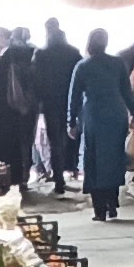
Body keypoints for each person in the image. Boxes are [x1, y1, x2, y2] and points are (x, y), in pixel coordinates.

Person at [71, 28, 131, 219]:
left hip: (94, 116)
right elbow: (126, 91)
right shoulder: (118, 63)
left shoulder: (83, 66)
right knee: (113, 159)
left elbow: (74, 98)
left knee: (94, 161)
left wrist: (71, 121)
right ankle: (112, 204)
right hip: (116, 114)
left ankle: (100, 210)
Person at [0, 25, 37, 182]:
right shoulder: (24, 56)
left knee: (2, 149)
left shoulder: (6, 58)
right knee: (15, 149)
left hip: (2, 113)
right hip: (15, 112)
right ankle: (15, 180)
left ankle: (4, 181)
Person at [34, 19, 81, 195]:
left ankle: (59, 180)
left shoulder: (42, 54)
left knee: (55, 142)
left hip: (50, 103)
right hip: (70, 101)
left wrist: (38, 104)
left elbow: (37, 81)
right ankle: (73, 170)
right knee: (71, 137)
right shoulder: (73, 52)